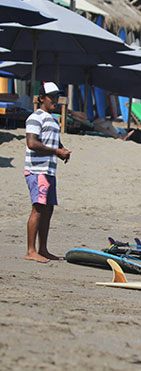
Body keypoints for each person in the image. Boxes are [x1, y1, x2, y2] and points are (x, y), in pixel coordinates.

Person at [24, 82, 71, 262]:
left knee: (48, 209)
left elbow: (53, 141)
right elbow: (32, 143)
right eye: (51, 97)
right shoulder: (35, 117)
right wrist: (56, 151)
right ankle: (30, 251)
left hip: (49, 170)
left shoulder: (52, 119)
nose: (55, 100)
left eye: (57, 97)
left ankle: (43, 249)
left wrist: (62, 151)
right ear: (42, 98)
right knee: (38, 208)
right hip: (37, 170)